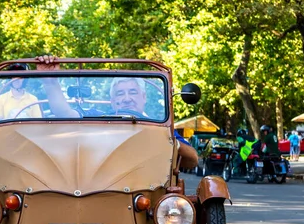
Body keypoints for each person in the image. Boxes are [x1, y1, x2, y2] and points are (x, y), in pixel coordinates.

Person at [35, 55, 198, 168]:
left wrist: (163, 140)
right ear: (113, 101)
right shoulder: (97, 118)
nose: (127, 98)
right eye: (120, 93)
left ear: (144, 97)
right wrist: (50, 82)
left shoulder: (158, 126)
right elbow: (65, 114)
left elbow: (192, 160)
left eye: (132, 92)